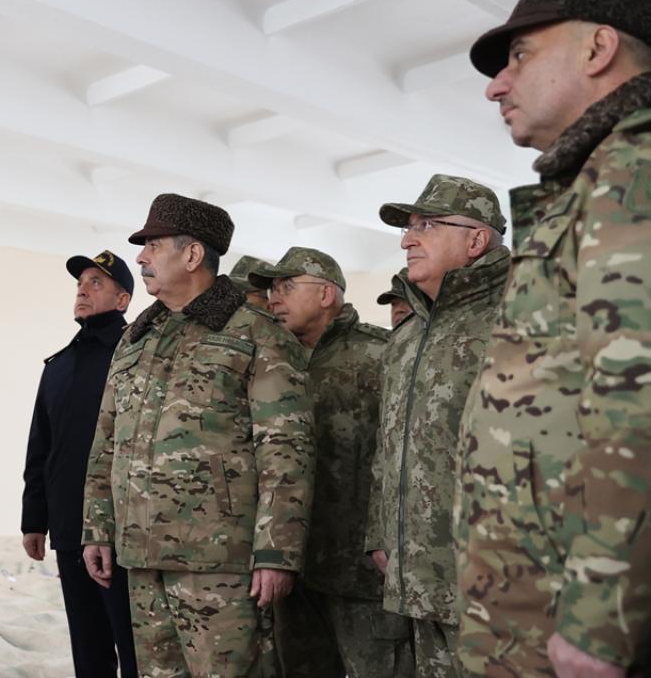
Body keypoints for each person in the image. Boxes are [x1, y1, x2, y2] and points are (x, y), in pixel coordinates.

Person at [459, 0, 651, 675]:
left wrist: (600, 626)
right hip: (533, 612)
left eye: (520, 55)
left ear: (598, 48)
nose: (496, 85)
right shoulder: (599, 178)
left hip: (584, 634)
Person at [80, 193, 315, 677]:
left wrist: (277, 553)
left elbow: (287, 449)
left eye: (153, 246)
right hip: (141, 555)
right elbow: (106, 440)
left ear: (192, 255)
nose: (141, 258)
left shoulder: (257, 335)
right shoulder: (137, 337)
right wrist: (97, 528)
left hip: (221, 561)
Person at [364, 175, 510, 678]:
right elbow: (387, 444)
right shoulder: (408, 338)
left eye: (426, 225)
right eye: (407, 228)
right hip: (420, 575)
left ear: (476, 240)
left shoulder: (521, 319)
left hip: (499, 585)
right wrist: (381, 532)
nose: (408, 239)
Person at [254, 248, 411, 678]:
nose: (274, 298)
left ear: (326, 294)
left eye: (287, 286)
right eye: (271, 289)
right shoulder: (272, 361)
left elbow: (403, 457)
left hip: (363, 573)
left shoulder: (381, 355)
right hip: (294, 569)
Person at [21, 249, 138, 678]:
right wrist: (34, 519)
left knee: (135, 649)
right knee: (89, 651)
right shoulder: (59, 366)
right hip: (70, 525)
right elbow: (41, 446)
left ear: (123, 300)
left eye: (96, 283)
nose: (82, 291)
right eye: (80, 284)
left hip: (124, 529)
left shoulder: (136, 357)